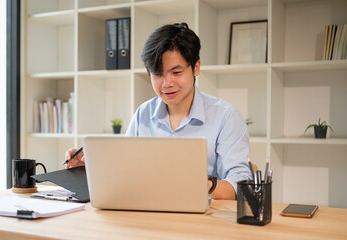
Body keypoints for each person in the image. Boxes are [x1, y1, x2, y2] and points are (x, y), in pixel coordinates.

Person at [65, 22, 252, 200]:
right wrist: (87, 167)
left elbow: (242, 185)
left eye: (176, 73)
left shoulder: (225, 117)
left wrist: (202, 184)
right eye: (158, 74)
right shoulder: (143, 114)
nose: (167, 83)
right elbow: (126, 171)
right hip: (149, 212)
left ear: (196, 68)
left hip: (204, 220)